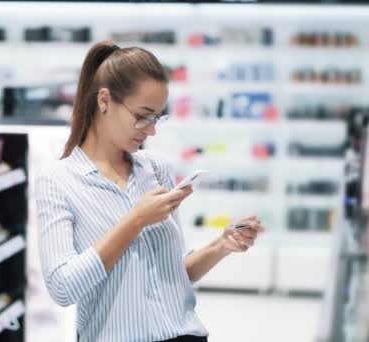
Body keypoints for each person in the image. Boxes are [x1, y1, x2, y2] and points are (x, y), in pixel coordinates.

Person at [35, 40, 265, 342]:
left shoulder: (156, 169)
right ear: (104, 101)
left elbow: (173, 272)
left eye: (157, 117)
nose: (151, 129)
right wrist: (135, 221)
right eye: (143, 116)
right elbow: (62, 288)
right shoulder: (58, 180)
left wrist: (220, 245)